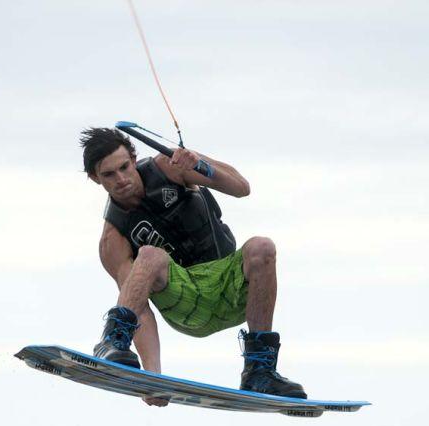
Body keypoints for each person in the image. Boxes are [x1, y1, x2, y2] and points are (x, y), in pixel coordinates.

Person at [80, 127, 306, 406]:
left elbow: (242, 188)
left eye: (125, 167)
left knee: (262, 247)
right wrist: (152, 378)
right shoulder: (112, 240)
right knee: (150, 255)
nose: (122, 179)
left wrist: (199, 163)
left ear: (134, 157)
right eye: (109, 175)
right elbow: (140, 309)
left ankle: (260, 372)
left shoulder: (171, 167)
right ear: (94, 178)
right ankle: (112, 343)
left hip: (228, 286)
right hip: (185, 303)